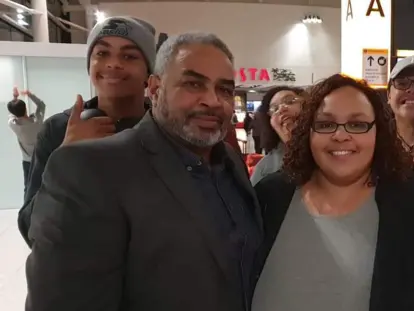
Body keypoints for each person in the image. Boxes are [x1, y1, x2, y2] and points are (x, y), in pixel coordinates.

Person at [26, 32, 262, 311]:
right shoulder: (90, 169)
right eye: (193, 84)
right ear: (154, 88)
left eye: (224, 89)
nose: (212, 100)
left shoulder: (230, 161)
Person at [251, 74, 414, 311]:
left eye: (357, 124)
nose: (340, 135)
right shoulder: (270, 197)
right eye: (325, 124)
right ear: (308, 133)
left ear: (378, 132)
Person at [17, 16, 157, 246]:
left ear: (149, 73)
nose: (113, 64)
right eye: (102, 54)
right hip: (80, 271)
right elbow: (30, 228)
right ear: (89, 64)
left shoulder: (164, 130)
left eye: (129, 56)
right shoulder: (59, 129)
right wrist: (66, 158)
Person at [250, 86, 305, 185]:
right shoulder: (265, 169)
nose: (282, 108)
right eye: (274, 108)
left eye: (289, 101)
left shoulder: (328, 153)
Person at [7, 87, 46, 191]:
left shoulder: (14, 125)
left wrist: (15, 97)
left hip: (27, 162)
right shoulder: (37, 121)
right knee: (42, 187)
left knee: (28, 188)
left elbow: (12, 115)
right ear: (25, 109)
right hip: (41, 159)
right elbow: (41, 105)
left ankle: (27, 206)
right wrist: (29, 94)